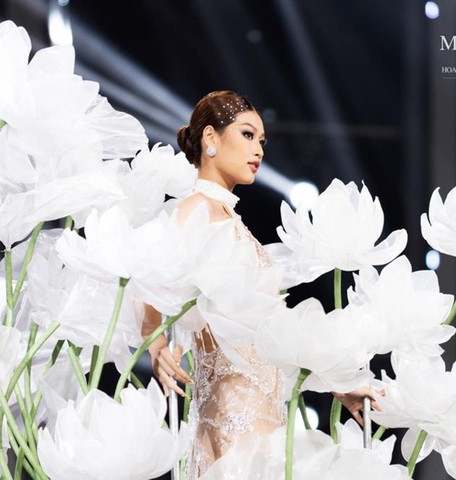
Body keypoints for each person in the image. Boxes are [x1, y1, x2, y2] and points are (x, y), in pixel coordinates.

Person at [140, 90, 378, 478]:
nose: (258, 150)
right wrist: (156, 344)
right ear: (211, 138)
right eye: (248, 134)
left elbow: (269, 330)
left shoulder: (231, 220)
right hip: (231, 409)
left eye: (262, 141)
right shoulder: (195, 210)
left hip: (263, 408)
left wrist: (334, 383)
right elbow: (147, 275)